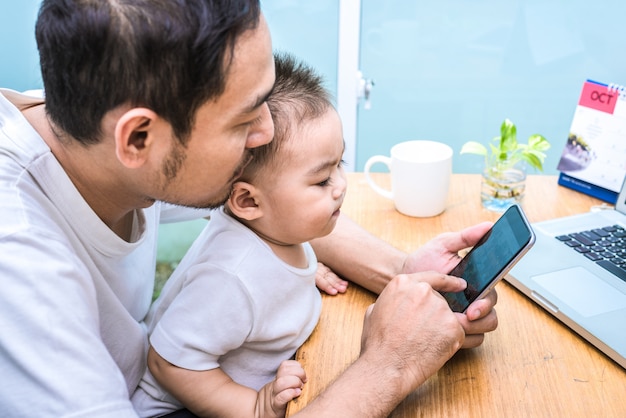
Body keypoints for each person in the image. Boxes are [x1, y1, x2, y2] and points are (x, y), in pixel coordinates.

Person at [0, 1, 497, 417]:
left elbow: (276, 203)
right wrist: (390, 366)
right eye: (244, 120)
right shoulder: (20, 265)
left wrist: (401, 274)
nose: (266, 134)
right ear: (139, 138)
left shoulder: (98, 128)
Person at [131, 52, 348, 418]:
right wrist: (254, 407)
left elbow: (271, 280)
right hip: (180, 407)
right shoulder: (230, 278)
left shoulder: (277, 231)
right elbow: (168, 363)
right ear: (248, 201)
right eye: (322, 179)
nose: (341, 186)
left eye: (340, 164)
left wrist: (302, 276)